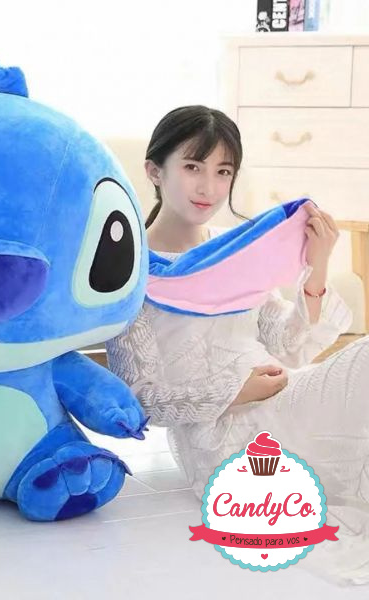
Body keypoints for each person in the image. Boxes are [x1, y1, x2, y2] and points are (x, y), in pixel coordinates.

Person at [106, 105, 369, 585]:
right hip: (224, 436)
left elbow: (289, 348)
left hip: (285, 397)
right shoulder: (135, 273)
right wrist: (236, 391)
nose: (209, 187)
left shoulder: (235, 250)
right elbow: (141, 400)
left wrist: (318, 265)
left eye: (223, 171)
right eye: (193, 166)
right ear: (154, 172)